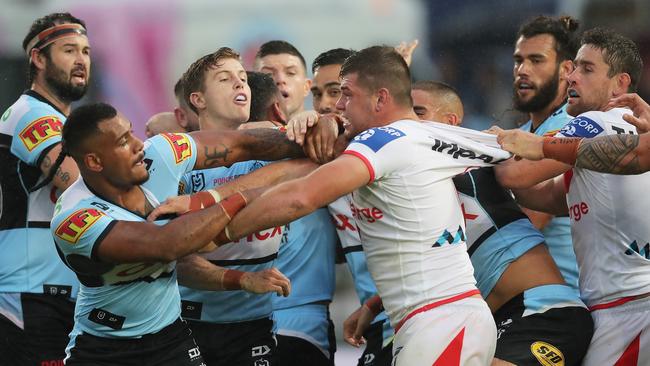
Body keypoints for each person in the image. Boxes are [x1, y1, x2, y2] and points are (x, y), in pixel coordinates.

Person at [220, 46, 508, 365]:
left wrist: (220, 231)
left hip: (438, 323)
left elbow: (300, 197)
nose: (339, 105)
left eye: (345, 94)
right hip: (447, 317)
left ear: (380, 99)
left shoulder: (381, 141)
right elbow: (514, 147)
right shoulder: (424, 134)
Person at [49, 102, 303, 364]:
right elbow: (167, 246)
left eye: (132, 133)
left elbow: (244, 144)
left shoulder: (160, 154)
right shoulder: (74, 218)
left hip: (171, 339)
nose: (139, 144)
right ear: (94, 161)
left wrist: (312, 135)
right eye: (123, 141)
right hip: (102, 349)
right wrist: (241, 196)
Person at [494, 28, 650, 365]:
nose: (572, 77)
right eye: (574, 67)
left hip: (627, 307)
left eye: (587, 69)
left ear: (619, 84)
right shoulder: (634, 129)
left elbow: (514, 175)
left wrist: (491, 145)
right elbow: (546, 199)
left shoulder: (594, 122)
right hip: (626, 303)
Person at [411, 81, 592, 366]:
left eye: (418, 112)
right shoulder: (414, 186)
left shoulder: (475, 161)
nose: (409, 121)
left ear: (451, 122)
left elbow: (533, 201)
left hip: (546, 313)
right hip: (499, 325)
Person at [177, 47, 295, 366]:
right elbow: (175, 261)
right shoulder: (176, 163)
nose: (240, 84)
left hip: (255, 327)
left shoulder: (276, 147)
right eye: (225, 79)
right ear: (198, 99)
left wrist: (315, 121)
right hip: (185, 326)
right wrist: (244, 280)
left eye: (243, 78)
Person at [0, 12, 89, 365]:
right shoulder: (32, 114)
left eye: (86, 51)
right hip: (30, 293)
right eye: (69, 50)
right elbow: (78, 182)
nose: (81, 60)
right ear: (38, 58)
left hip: (57, 296)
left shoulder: (64, 122)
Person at [507, 15, 582, 298]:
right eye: (518, 60)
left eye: (536, 60)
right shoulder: (521, 133)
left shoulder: (572, 129)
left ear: (565, 70)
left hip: (564, 301)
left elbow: (529, 222)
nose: (522, 70)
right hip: (522, 297)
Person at [255, 40, 312, 119]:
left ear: (306, 87)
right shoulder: (240, 130)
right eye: (268, 74)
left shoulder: (326, 129)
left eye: (290, 73)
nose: (280, 80)